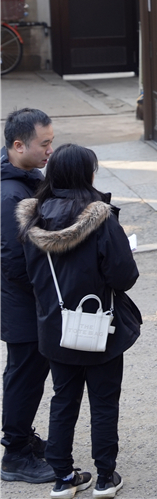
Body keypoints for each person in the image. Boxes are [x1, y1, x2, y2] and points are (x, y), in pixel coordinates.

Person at [17, 144, 141, 498]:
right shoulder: (101, 219)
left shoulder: (32, 220)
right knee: (103, 402)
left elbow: (29, 275)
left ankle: (62, 477)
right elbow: (124, 276)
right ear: (87, 174)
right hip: (100, 325)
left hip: (55, 327)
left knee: (63, 399)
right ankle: (105, 477)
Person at [1, 109, 56, 485]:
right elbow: (13, 260)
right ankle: (15, 453)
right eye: (45, 143)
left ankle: (21, 440)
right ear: (18, 146)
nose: (51, 149)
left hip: (26, 302)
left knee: (28, 373)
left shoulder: (24, 178)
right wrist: (48, 291)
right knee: (24, 375)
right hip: (22, 305)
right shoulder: (9, 194)